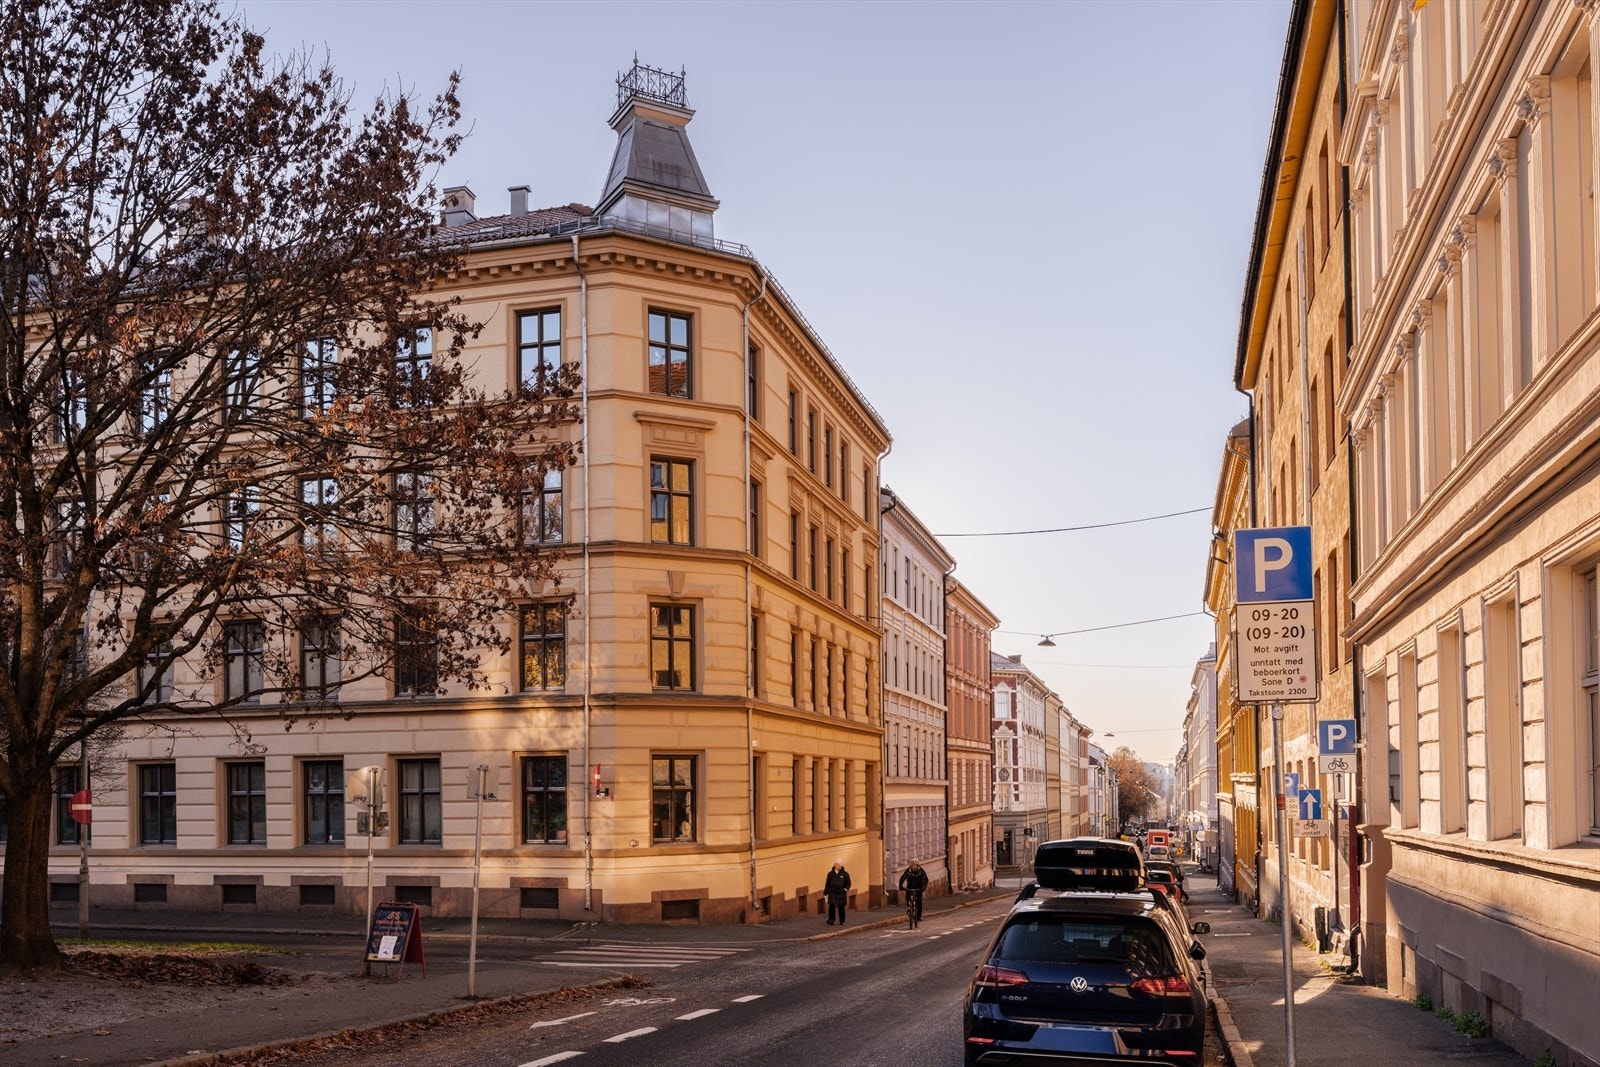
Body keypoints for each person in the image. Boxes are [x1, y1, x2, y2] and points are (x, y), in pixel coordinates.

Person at [823, 860, 851, 925]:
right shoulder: (830, 874)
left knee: (841, 907)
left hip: (841, 893)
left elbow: (848, 883)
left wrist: (845, 889)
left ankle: (842, 921)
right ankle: (831, 919)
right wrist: (825, 892)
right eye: (835, 864)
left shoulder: (845, 874)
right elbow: (827, 884)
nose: (836, 866)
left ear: (841, 866)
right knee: (831, 906)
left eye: (837, 864)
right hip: (832, 892)